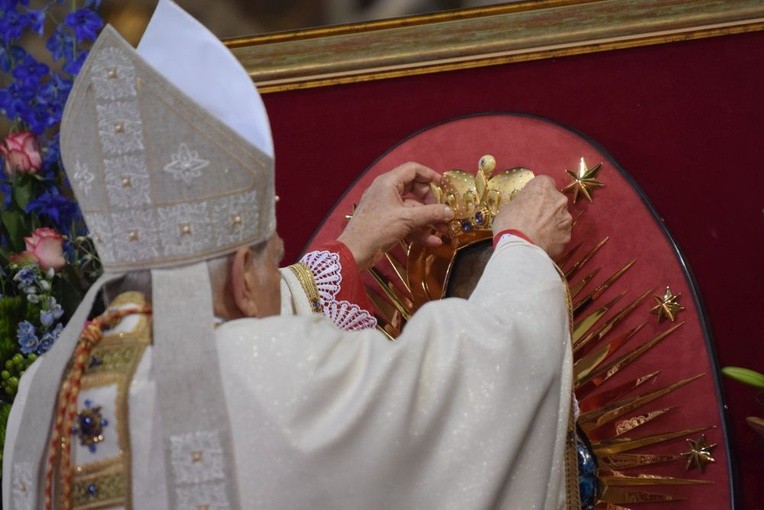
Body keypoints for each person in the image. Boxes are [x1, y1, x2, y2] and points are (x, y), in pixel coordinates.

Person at [2, 1, 575, 509]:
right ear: (241, 279)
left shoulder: (46, 394)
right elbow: (459, 392)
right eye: (271, 258)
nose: (279, 274)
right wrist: (522, 253)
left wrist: (349, 253)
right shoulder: (276, 377)